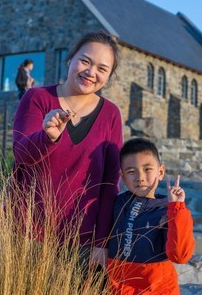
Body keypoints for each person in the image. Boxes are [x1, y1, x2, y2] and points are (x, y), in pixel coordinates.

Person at [11, 30, 123, 270]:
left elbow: (109, 184)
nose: (91, 72)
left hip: (82, 242)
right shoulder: (36, 98)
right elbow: (22, 154)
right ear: (70, 59)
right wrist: (47, 137)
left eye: (102, 69)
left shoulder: (111, 114)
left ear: (108, 76)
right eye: (85, 61)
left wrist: (102, 242)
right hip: (30, 236)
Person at [107, 137, 194, 294]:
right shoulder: (117, 203)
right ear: (122, 176)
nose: (140, 177)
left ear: (160, 172)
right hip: (117, 287)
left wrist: (177, 208)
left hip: (157, 289)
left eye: (147, 169)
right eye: (131, 172)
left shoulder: (168, 210)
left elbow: (180, 256)